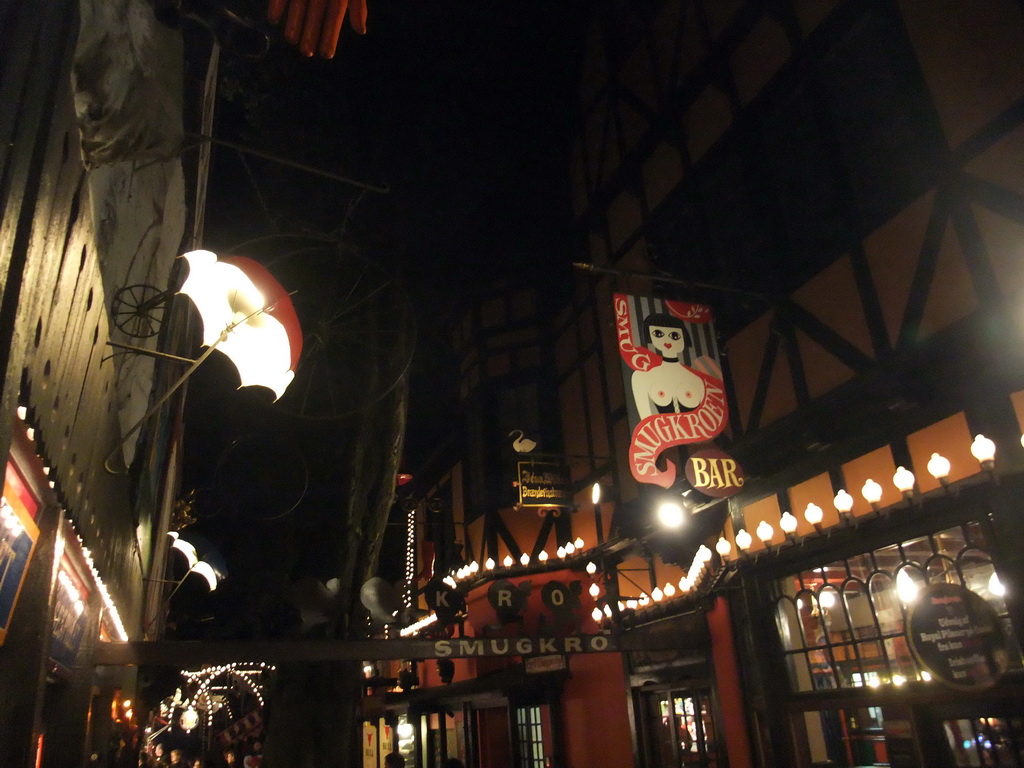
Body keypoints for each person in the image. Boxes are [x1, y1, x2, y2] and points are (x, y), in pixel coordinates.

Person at [630, 312, 706, 419]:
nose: (667, 341)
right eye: (658, 334)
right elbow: (646, 421)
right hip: (660, 433)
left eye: (675, 336)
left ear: (684, 338)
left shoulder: (697, 380)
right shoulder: (641, 377)